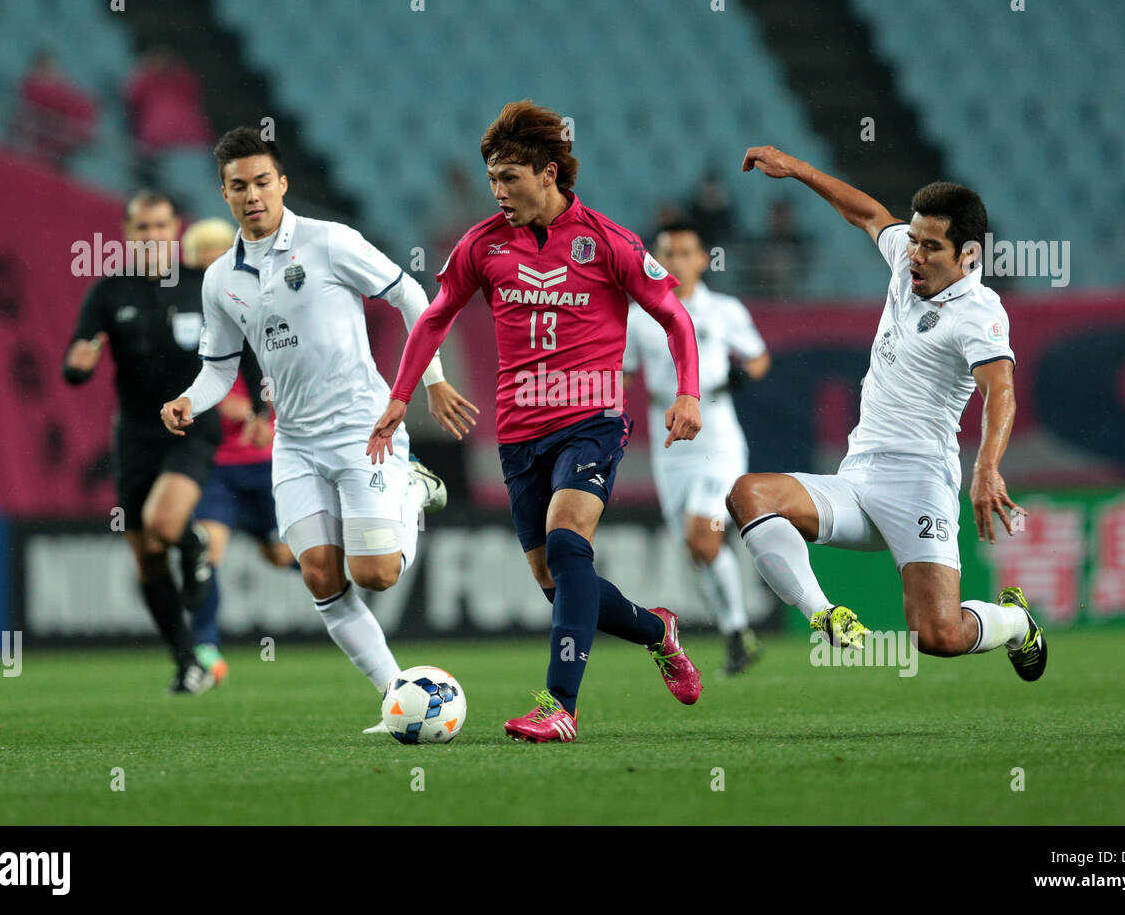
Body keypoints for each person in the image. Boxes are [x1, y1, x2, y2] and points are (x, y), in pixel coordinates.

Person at [367, 100, 705, 743]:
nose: (498, 192)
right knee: (558, 583)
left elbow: (675, 317)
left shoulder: (608, 242)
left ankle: (559, 705)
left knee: (568, 543)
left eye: (510, 178)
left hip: (592, 420)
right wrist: (402, 394)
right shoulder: (482, 244)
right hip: (519, 432)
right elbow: (435, 316)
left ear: (549, 173)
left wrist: (687, 393)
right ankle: (656, 630)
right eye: (492, 179)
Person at [161, 128, 475, 733]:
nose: (251, 195)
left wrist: (430, 380)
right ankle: (398, 699)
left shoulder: (329, 243)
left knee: (376, 573)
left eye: (260, 182)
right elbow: (220, 368)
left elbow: (412, 295)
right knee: (320, 577)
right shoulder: (219, 278)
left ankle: (411, 487)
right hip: (295, 441)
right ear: (223, 194)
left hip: (364, 429)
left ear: (282, 183)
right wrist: (188, 401)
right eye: (237, 186)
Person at [726, 145, 1046, 683]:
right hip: (859, 476)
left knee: (938, 637)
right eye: (914, 240)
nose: (914, 254)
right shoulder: (906, 260)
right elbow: (867, 213)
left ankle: (1016, 622)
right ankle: (826, 618)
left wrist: (987, 467)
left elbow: (1001, 390)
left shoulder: (979, 314)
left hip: (921, 483)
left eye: (931, 246)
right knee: (748, 494)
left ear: (968, 255)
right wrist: (797, 169)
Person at [64, 190, 224, 694]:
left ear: (175, 229)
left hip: (192, 424)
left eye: (160, 226)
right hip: (134, 435)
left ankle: (193, 542)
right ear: (128, 234)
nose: (152, 236)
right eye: (142, 228)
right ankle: (186, 662)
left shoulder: (203, 285)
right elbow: (76, 356)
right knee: (147, 556)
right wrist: (77, 365)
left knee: (164, 523)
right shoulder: (110, 293)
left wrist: (261, 407)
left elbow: (246, 343)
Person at [622, 221, 771, 675]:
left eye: (686, 252)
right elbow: (624, 372)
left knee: (701, 536)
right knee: (694, 548)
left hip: (718, 443)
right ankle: (737, 633)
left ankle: (736, 629)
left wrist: (740, 376)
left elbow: (758, 356)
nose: (677, 261)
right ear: (656, 261)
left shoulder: (723, 309)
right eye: (667, 253)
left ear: (703, 259)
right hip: (670, 449)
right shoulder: (637, 316)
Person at [179, 218, 294, 685]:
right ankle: (205, 648)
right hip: (214, 465)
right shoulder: (185, 317)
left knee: (283, 557)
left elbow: (287, 366)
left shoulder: (258, 305)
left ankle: (349, 571)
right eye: (201, 250)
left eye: (217, 249)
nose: (210, 257)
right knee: (207, 553)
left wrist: (270, 420)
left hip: (263, 462)